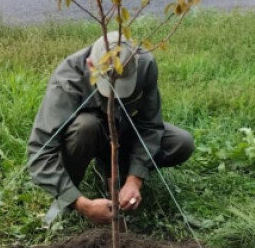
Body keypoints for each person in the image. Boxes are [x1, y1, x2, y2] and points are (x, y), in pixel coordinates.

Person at [26, 32, 195, 224]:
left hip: (122, 131)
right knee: (85, 127)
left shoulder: (145, 64)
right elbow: (40, 151)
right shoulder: (68, 78)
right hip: (88, 136)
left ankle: (120, 173)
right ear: (91, 65)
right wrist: (82, 204)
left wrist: (135, 178)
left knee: (181, 142)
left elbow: (150, 125)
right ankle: (66, 197)